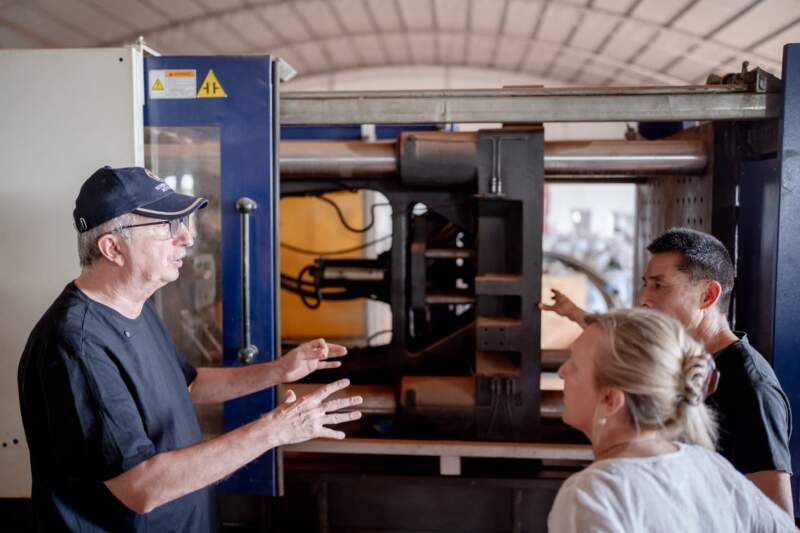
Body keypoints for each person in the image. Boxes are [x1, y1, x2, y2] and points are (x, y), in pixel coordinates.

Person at [17, 166, 362, 532]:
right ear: (113, 248)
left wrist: (280, 371)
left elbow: (189, 385)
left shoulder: (135, 307)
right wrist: (276, 430)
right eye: (166, 227)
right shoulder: (76, 346)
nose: (187, 237)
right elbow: (141, 488)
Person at [541, 227, 794, 515]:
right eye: (645, 283)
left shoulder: (750, 387)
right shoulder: (674, 358)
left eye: (659, 286)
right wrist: (575, 313)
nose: (644, 298)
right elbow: (626, 339)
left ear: (708, 295)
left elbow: (776, 515)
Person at [548, 308, 795, 532]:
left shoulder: (592, 493)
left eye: (575, 366)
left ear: (611, 400)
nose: (562, 372)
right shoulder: (708, 464)